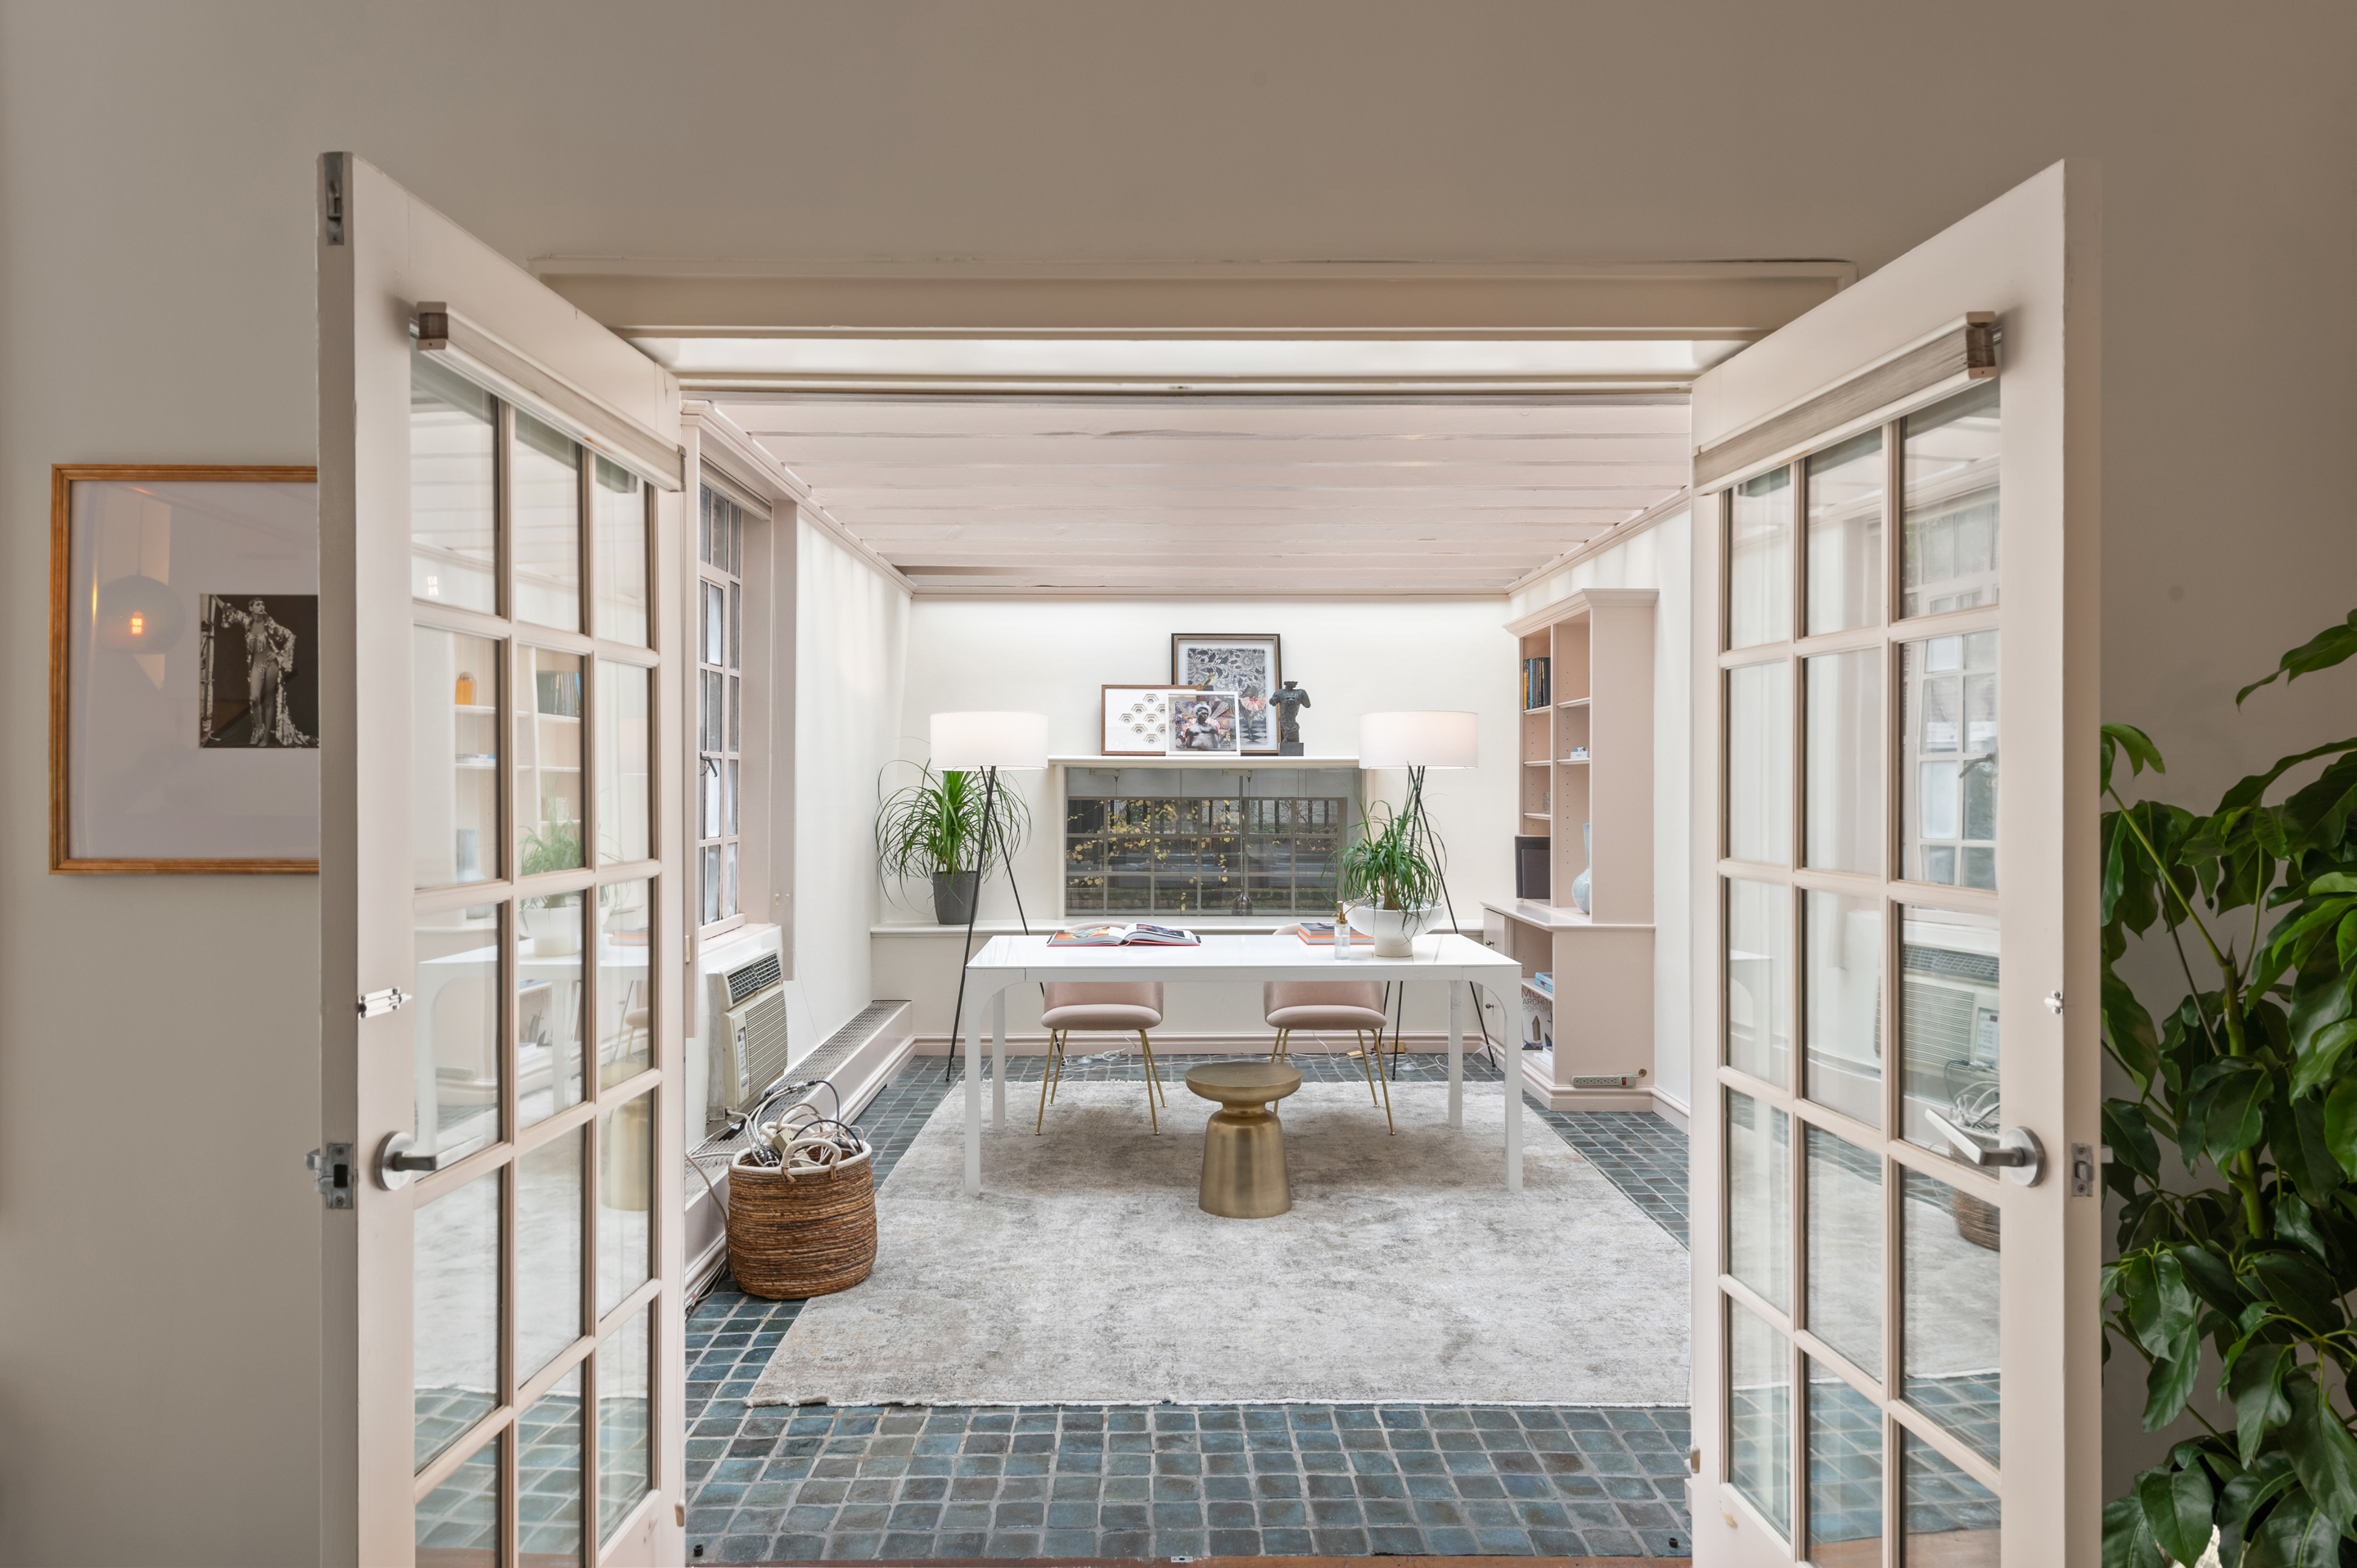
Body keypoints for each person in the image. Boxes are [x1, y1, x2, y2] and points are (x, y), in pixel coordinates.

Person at [214, 598, 308, 746]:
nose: (261, 606)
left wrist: (280, 655)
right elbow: (227, 608)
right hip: (257, 665)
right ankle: (258, 729)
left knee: (269, 700)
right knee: (255, 699)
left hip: (271, 664)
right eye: (258, 604)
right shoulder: (246, 620)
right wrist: (213, 594)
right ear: (251, 608)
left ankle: (265, 736)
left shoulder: (270, 623)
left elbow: (290, 636)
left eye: (263, 604)